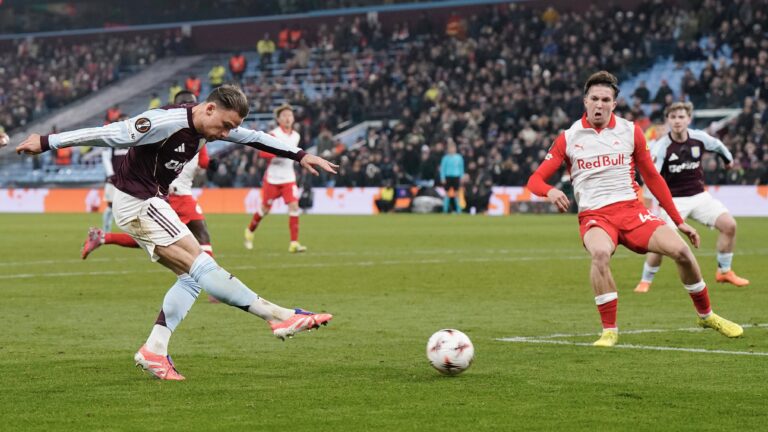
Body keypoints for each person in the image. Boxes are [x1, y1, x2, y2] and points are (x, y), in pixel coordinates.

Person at [16, 85, 338, 380]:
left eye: (230, 128)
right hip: (139, 202)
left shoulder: (209, 126)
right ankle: (278, 316)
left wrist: (300, 155)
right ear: (209, 109)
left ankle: (154, 349)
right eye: (224, 125)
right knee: (202, 263)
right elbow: (111, 134)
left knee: (191, 277)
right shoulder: (163, 122)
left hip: (152, 200)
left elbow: (254, 137)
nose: (225, 133)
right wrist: (46, 142)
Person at [526, 71, 742, 348]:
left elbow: (652, 177)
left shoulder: (630, 131)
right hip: (595, 216)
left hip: (632, 211)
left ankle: (707, 315)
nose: (599, 104)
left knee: (681, 251)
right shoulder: (568, 138)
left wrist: (679, 221)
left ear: (614, 104)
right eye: (594, 98)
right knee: (600, 254)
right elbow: (534, 180)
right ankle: (609, 331)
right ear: (585, 101)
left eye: (606, 99)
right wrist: (551, 190)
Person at [634, 102, 748, 293]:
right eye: (673, 117)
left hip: (699, 196)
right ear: (668, 120)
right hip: (673, 201)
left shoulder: (699, 138)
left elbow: (718, 145)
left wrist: (728, 161)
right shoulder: (661, 147)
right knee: (661, 241)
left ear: (688, 119)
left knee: (729, 225)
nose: (677, 121)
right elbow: (651, 177)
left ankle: (724, 271)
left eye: (681, 117)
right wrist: (647, 205)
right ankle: (646, 280)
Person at [244, 103, 307, 253]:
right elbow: (263, 153)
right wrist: (281, 152)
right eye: (284, 116)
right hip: (272, 179)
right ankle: (250, 230)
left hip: (288, 178)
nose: (287, 118)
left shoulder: (296, 135)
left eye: (290, 116)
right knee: (265, 209)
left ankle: (294, 243)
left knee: (294, 206)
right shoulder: (273, 134)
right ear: (278, 119)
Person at [100, 113, 130, 233]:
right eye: (122, 121)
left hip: (129, 178)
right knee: (110, 205)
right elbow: (106, 157)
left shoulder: (134, 138)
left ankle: (130, 231)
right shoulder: (112, 138)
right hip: (114, 178)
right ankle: (106, 230)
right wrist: (110, 174)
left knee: (130, 205)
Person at [440, 141, 464, 213]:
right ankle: (445, 210)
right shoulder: (445, 158)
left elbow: (461, 168)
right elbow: (443, 169)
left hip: (456, 177)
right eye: (450, 148)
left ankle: (459, 210)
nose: (452, 149)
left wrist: (461, 176)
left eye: (453, 148)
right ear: (448, 149)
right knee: (447, 194)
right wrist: (442, 177)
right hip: (448, 177)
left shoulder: (459, 158)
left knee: (457, 194)